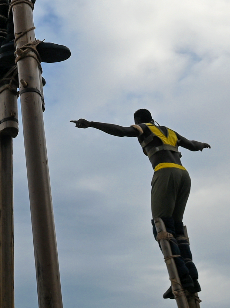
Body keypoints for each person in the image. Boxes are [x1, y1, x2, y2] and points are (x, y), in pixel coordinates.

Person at [72, 109, 210, 298]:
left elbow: (121, 131)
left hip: (165, 172)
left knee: (161, 226)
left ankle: (182, 279)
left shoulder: (143, 128)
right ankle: (192, 279)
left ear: (137, 120)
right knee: (177, 229)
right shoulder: (170, 132)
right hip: (183, 175)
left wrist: (91, 124)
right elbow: (192, 145)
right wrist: (202, 144)